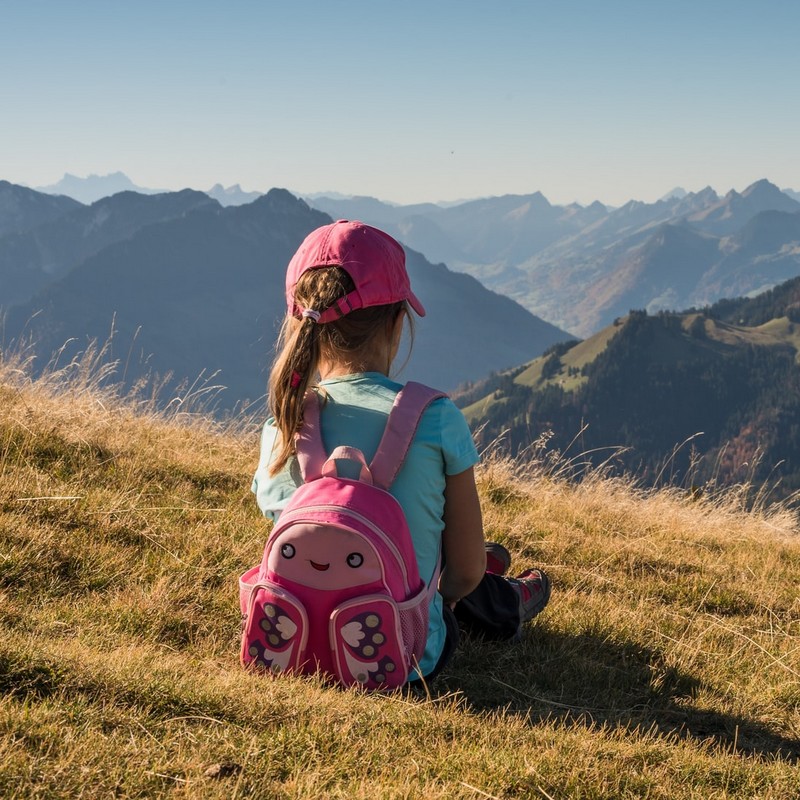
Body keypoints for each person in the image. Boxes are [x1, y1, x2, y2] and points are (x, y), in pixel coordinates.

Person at [251, 220, 551, 685]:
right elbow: (465, 575)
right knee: (452, 565)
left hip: (293, 645)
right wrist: (443, 593)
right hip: (409, 656)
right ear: (396, 322)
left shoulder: (285, 423)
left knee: (423, 550)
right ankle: (508, 600)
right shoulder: (434, 417)